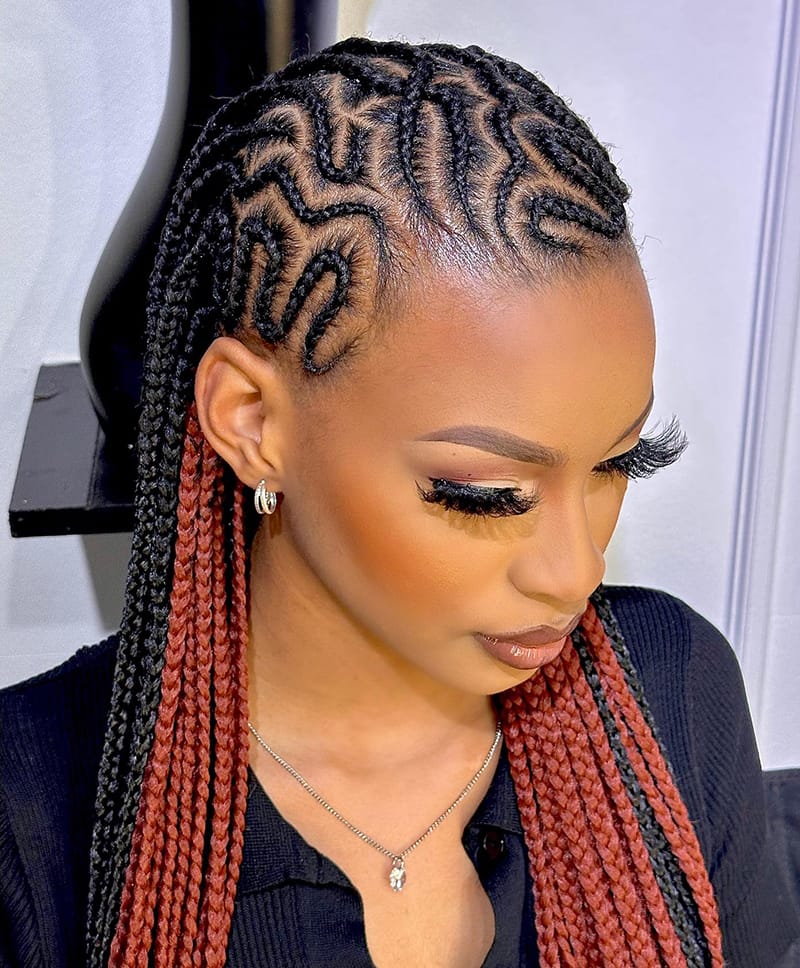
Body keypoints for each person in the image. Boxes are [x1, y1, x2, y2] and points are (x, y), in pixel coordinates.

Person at [0, 37, 797, 968]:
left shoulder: (674, 695)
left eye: (622, 462)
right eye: (486, 495)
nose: (574, 571)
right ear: (252, 420)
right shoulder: (35, 817)